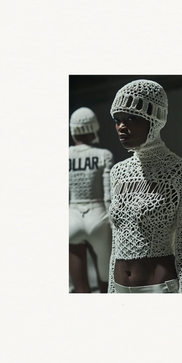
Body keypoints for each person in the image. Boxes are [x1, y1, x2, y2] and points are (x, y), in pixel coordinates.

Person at [107, 79, 182, 293]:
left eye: (132, 118)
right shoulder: (118, 172)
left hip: (158, 288)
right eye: (117, 119)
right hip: (120, 286)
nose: (122, 126)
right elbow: (116, 242)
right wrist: (111, 290)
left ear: (155, 119)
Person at [69, 107, 114, 293]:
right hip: (99, 218)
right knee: (106, 282)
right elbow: (108, 196)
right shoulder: (104, 155)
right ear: (93, 128)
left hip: (72, 218)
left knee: (80, 290)